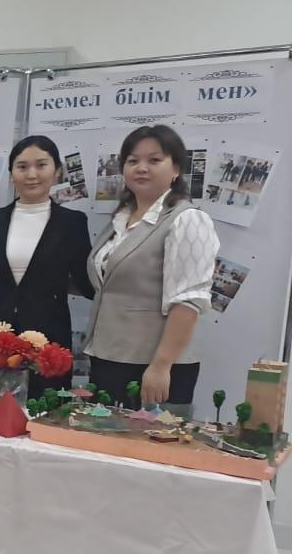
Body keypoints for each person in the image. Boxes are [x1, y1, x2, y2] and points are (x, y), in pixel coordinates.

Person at [86, 124, 220, 410]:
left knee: (149, 438)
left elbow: (188, 302)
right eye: (133, 160)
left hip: (154, 366)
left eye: (154, 160)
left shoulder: (187, 219)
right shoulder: (120, 219)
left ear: (176, 169)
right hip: (109, 357)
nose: (141, 168)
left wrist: (161, 366)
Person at [0, 135, 95, 396]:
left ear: (57, 171)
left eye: (41, 165)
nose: (32, 174)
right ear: (11, 174)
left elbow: (87, 282)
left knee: (44, 411)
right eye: (22, 166)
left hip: (48, 337)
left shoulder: (73, 223)